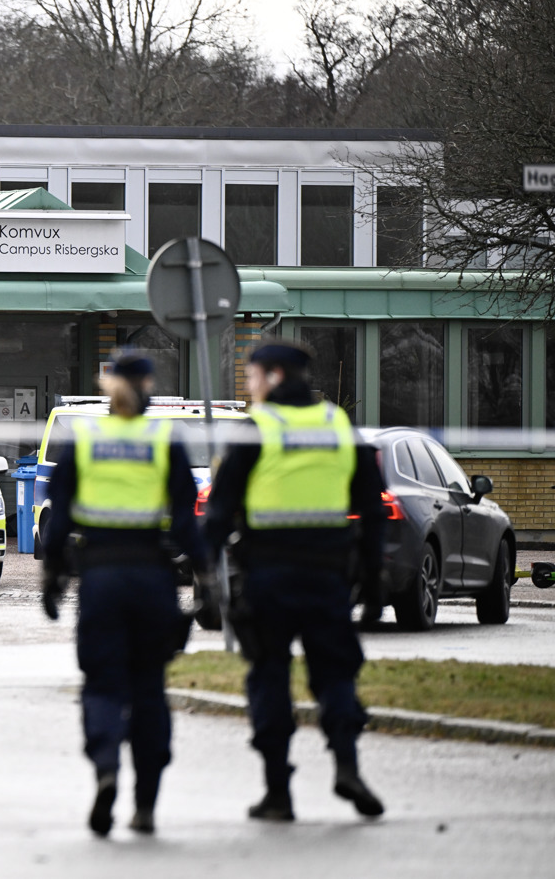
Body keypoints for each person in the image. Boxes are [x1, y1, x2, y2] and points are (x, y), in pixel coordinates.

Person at [204, 337, 386, 822]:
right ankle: (347, 767)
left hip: (268, 579)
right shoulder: (338, 424)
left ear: (275, 376)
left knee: (269, 676)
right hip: (329, 576)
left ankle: (277, 792)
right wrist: (374, 582)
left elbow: (219, 510)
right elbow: (372, 508)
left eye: (252, 377)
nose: (249, 386)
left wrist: (205, 575)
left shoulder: (257, 428)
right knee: (336, 673)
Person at [40, 347, 207, 837]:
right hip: (153, 579)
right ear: (149, 386)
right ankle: (146, 804)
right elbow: (186, 520)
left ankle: (106, 765)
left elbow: (59, 515)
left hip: (101, 580)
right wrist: (208, 576)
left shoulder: (86, 440)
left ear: (107, 386)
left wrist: (53, 577)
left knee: (102, 683)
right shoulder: (164, 440)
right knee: (149, 688)